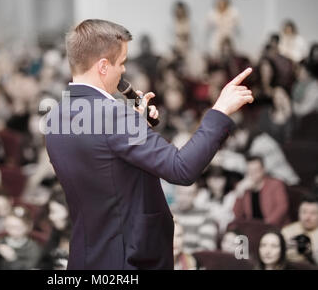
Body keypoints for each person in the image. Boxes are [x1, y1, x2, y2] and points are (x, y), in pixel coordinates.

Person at [44, 19, 254, 269]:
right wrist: (219, 111)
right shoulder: (113, 115)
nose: (123, 71)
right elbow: (181, 168)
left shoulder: (55, 117)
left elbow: (104, 165)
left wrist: (137, 124)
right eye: (121, 63)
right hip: (129, 258)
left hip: (88, 255)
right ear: (103, 66)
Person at [233, 155, 290, 228]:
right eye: (249, 171)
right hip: (253, 228)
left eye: (256, 170)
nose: (253, 174)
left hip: (273, 227)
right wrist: (239, 193)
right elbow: (237, 215)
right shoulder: (244, 187)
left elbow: (282, 208)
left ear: (263, 170)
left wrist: (266, 225)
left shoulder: (275, 184)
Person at [172, 183, 218, 253]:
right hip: (170, 259)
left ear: (195, 195)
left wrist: (184, 258)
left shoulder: (206, 215)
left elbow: (207, 248)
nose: (183, 198)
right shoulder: (169, 212)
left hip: (194, 260)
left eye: (189, 194)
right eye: (180, 193)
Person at [282, 196, 318, 265]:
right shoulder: (287, 231)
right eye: (304, 212)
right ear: (298, 213)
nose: (307, 217)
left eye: (313, 213)